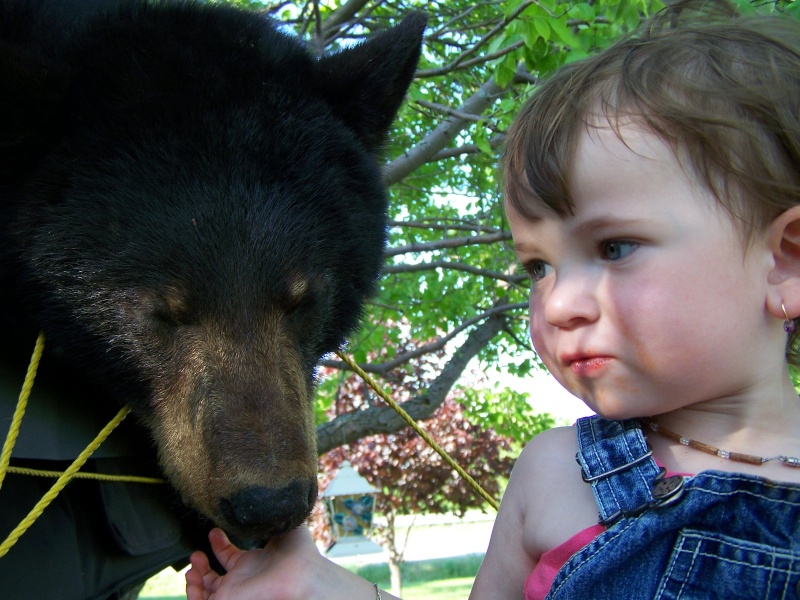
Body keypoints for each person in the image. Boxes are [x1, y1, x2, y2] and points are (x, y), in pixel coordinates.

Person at [185, 1, 800, 598]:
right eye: (539, 266)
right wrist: (316, 585)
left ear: (786, 260)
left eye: (614, 248)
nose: (559, 305)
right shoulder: (558, 473)